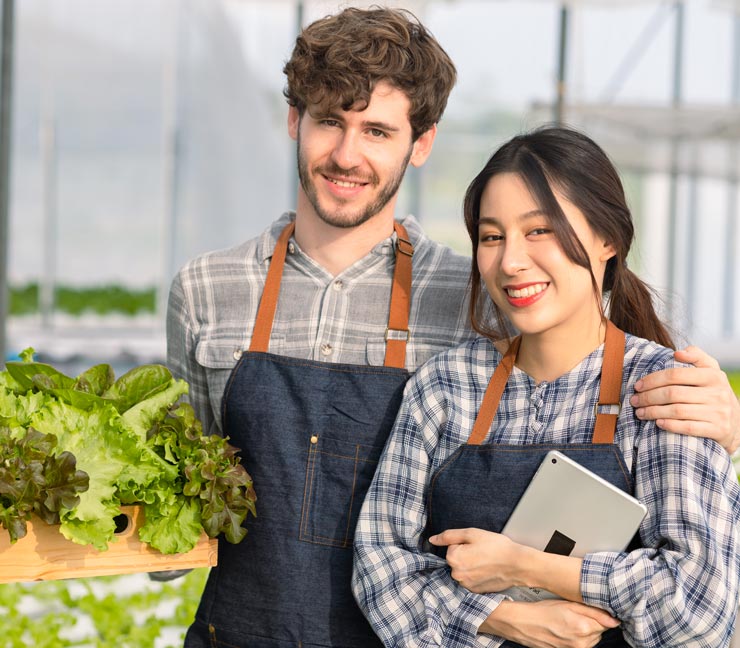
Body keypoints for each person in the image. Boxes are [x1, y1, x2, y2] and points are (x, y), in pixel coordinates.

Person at [165, 7, 740, 647]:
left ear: (422, 143)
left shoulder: (484, 300)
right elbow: (183, 500)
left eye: (378, 131)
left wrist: (723, 434)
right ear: (294, 120)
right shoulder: (206, 292)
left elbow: (574, 373)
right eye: (329, 121)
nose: (347, 155)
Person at [352, 126, 740, 648]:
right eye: (492, 236)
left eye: (539, 230)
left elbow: (697, 611)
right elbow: (381, 567)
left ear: (608, 240)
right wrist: (500, 618)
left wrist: (529, 567)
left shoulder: (662, 392)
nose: (510, 261)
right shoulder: (445, 387)